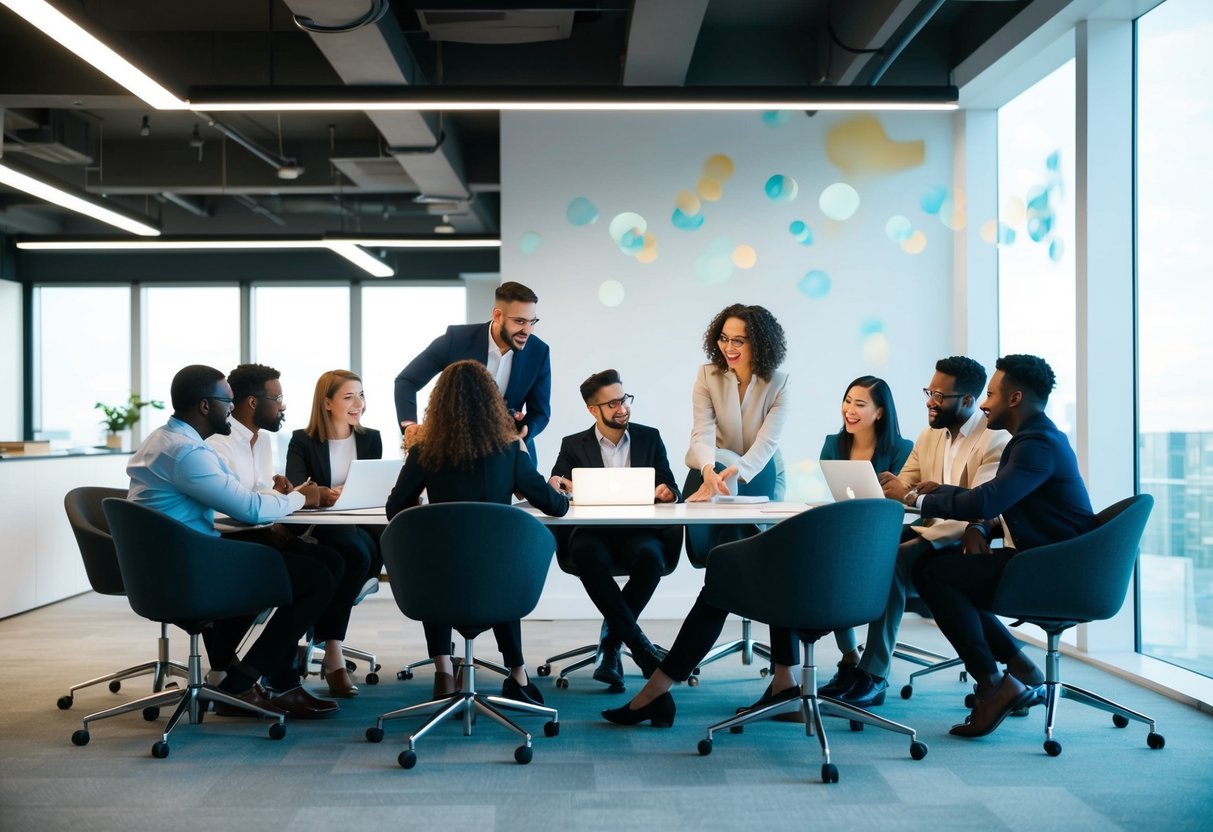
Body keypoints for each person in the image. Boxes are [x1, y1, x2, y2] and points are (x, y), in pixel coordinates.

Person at [126, 364, 339, 719]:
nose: (234, 408)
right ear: (206, 406)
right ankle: (240, 683)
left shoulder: (165, 440)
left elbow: (239, 499)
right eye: (228, 401)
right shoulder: (189, 455)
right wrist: (305, 497)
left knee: (304, 563)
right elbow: (250, 508)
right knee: (314, 578)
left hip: (166, 564)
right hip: (189, 571)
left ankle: (242, 674)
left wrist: (279, 497)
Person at [910, 354, 1096, 737]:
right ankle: (1014, 670)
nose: (983, 402)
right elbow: (1001, 500)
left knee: (935, 574)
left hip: (1056, 571)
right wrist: (944, 492)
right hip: (1047, 560)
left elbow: (986, 500)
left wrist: (917, 500)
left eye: (991, 394)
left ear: (1015, 398)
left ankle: (995, 684)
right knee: (944, 571)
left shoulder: (1036, 444)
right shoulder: (1034, 439)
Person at [385, 360, 569, 705]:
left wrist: (430, 515)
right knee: (500, 564)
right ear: (491, 402)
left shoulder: (424, 450)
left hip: (440, 579)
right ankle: (517, 674)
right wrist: (549, 481)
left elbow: (394, 510)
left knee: (433, 562)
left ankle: (443, 670)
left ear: (440, 403)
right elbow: (556, 507)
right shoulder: (510, 449)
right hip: (495, 580)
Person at [837, 357, 1010, 707]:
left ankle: (874, 673)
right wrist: (892, 488)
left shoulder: (994, 440)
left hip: (967, 537)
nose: (930, 400)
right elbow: (905, 486)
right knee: (861, 550)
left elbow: (981, 507)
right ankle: (853, 662)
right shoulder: (929, 435)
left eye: (939, 395)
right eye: (929, 391)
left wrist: (916, 508)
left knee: (894, 559)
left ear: (967, 400)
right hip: (931, 529)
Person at [204, 363, 354, 699]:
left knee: (334, 561)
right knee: (316, 578)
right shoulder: (219, 444)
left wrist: (281, 492)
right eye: (278, 399)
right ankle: (269, 677)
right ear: (253, 403)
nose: (283, 406)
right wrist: (297, 498)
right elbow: (232, 508)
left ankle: (253, 671)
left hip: (256, 535)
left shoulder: (262, 442)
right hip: (227, 544)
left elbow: (256, 496)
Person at [548, 369, 681, 689]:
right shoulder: (573, 444)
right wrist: (556, 484)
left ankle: (611, 644)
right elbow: (557, 484)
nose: (622, 408)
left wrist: (667, 493)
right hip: (593, 533)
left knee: (651, 558)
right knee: (585, 555)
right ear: (593, 410)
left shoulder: (649, 437)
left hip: (639, 532)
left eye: (624, 399)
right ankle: (638, 645)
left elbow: (672, 486)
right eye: (613, 404)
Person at [803, 376, 914, 704]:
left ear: (880, 412)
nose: (849, 410)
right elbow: (840, 495)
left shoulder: (902, 450)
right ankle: (850, 656)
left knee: (883, 565)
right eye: (847, 401)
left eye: (860, 404)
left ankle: (874, 670)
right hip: (847, 530)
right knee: (818, 555)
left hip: (887, 536)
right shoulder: (833, 444)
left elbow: (902, 508)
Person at [284, 369, 384, 698]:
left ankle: (321, 632)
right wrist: (327, 492)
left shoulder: (371, 438)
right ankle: (334, 655)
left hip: (363, 524)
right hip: (322, 526)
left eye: (361, 395)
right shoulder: (303, 440)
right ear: (327, 403)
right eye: (348, 397)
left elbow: (373, 486)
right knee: (353, 555)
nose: (359, 404)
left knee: (368, 552)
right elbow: (299, 488)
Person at [394, 281, 551, 461]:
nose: (528, 330)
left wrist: (526, 429)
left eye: (533, 322)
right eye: (520, 322)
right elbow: (407, 381)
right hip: (455, 451)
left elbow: (540, 412)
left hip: (511, 453)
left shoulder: (539, 352)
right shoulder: (456, 339)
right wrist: (410, 427)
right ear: (498, 315)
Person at [685, 303, 788, 503]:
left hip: (760, 468)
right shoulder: (707, 376)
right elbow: (702, 431)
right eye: (723, 338)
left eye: (738, 341)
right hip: (718, 466)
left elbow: (766, 443)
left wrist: (737, 470)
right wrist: (708, 470)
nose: (728, 347)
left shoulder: (779, 384)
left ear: (760, 344)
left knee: (758, 531)